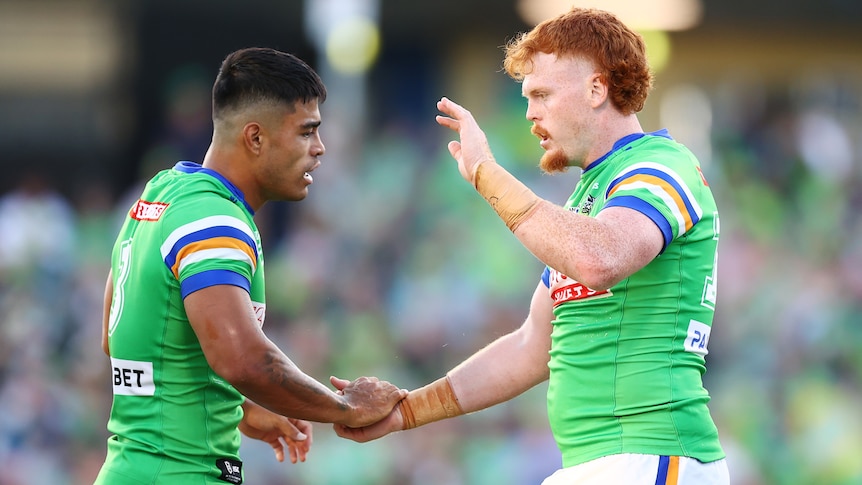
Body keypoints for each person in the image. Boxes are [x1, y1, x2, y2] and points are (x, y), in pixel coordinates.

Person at [335, 8, 729, 485]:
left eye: (542, 94)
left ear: (597, 89)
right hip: (608, 463)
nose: (530, 113)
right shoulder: (591, 194)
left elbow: (600, 260)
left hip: (652, 455)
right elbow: (531, 346)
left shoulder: (664, 165)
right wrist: (405, 411)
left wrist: (487, 174)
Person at [95, 47, 407, 484]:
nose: (320, 149)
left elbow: (118, 336)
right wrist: (348, 408)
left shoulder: (162, 194)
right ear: (255, 137)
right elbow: (243, 360)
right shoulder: (213, 220)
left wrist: (236, 407)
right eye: (306, 132)